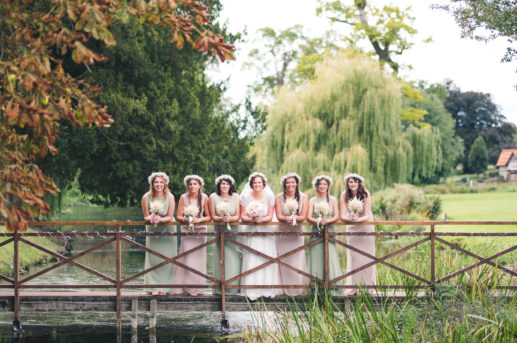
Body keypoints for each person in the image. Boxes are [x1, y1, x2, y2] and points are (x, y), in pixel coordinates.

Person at [239, 172, 279, 300]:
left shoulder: (270, 196)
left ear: (263, 184)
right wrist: (252, 219)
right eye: (255, 183)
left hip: (265, 230)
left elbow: (270, 215)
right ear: (251, 184)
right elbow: (243, 216)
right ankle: (252, 289)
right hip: (252, 230)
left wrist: (262, 219)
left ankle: (266, 289)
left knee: (266, 257)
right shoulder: (245, 196)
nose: (257, 185)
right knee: (252, 257)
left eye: (259, 183)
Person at [172, 175, 211, 295]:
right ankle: (184, 288)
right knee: (187, 258)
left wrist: (198, 220)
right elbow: (178, 216)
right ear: (187, 186)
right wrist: (187, 219)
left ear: (199, 185)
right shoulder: (184, 197)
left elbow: (209, 216)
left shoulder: (204, 197)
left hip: (200, 230)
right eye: (190, 184)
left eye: (195, 184)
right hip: (186, 229)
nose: (192, 186)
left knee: (198, 259)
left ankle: (196, 288)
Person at [340, 173, 376, 295]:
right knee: (354, 257)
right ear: (347, 183)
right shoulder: (344, 195)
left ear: (359, 183)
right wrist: (351, 219)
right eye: (350, 182)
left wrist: (357, 220)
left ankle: (367, 288)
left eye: (355, 182)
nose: (353, 184)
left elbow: (366, 215)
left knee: (366, 257)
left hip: (365, 226)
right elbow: (342, 215)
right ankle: (353, 287)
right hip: (352, 228)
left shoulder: (365, 194)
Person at [141, 172, 176, 295]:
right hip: (152, 229)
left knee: (167, 258)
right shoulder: (146, 197)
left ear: (165, 183)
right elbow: (145, 216)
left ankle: (166, 288)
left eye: (161, 182)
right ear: (152, 183)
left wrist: (160, 220)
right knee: (153, 258)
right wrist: (151, 218)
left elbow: (170, 216)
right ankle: (154, 287)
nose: (159, 184)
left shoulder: (170, 197)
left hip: (167, 229)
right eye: (156, 182)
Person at [275, 172, 308, 296]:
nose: (290, 185)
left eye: (292, 182)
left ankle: (297, 289)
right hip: (283, 232)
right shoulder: (279, 197)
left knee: (296, 259)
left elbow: (304, 216)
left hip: (297, 232)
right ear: (284, 184)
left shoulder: (303, 197)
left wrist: (296, 218)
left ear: (297, 183)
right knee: (283, 259)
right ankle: (282, 289)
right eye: (288, 182)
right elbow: (278, 215)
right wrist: (286, 219)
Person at [306, 175, 341, 292]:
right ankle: (316, 290)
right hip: (316, 232)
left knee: (330, 258)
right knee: (316, 258)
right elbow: (308, 217)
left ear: (328, 186)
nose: (322, 186)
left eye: (324, 184)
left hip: (329, 231)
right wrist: (317, 221)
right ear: (316, 186)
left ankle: (333, 289)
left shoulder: (333, 200)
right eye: (320, 184)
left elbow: (336, 216)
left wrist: (327, 221)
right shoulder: (312, 200)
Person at [209, 174, 241, 295]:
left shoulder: (236, 197)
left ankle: (233, 287)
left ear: (230, 185)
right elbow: (213, 216)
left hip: (232, 231)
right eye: (223, 184)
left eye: (227, 184)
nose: (225, 186)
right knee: (220, 258)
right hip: (219, 231)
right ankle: (219, 287)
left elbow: (238, 215)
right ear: (219, 185)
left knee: (232, 258)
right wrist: (221, 218)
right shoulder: (213, 197)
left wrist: (230, 218)